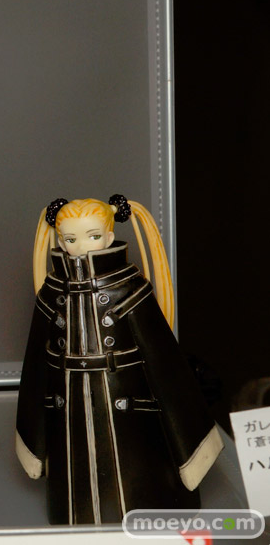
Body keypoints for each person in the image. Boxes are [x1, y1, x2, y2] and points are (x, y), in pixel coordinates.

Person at [16, 195, 222, 524]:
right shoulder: (52, 291)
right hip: (67, 410)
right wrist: (33, 438)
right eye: (71, 239)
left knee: (138, 477)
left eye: (93, 236)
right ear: (60, 241)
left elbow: (165, 364)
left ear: (109, 237)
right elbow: (35, 370)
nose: (81, 246)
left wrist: (189, 439)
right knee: (74, 483)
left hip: (128, 410)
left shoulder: (128, 288)